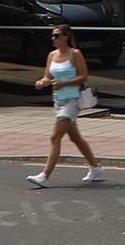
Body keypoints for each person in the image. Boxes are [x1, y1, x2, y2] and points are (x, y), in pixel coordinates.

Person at [26, 23, 104, 187]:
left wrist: (64, 83)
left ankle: (44, 176)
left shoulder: (74, 54)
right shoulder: (51, 55)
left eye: (57, 35)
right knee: (75, 138)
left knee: (55, 137)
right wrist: (42, 82)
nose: (53, 38)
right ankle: (96, 168)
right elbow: (47, 76)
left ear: (66, 37)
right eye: (52, 35)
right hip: (58, 101)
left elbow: (84, 76)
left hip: (72, 101)